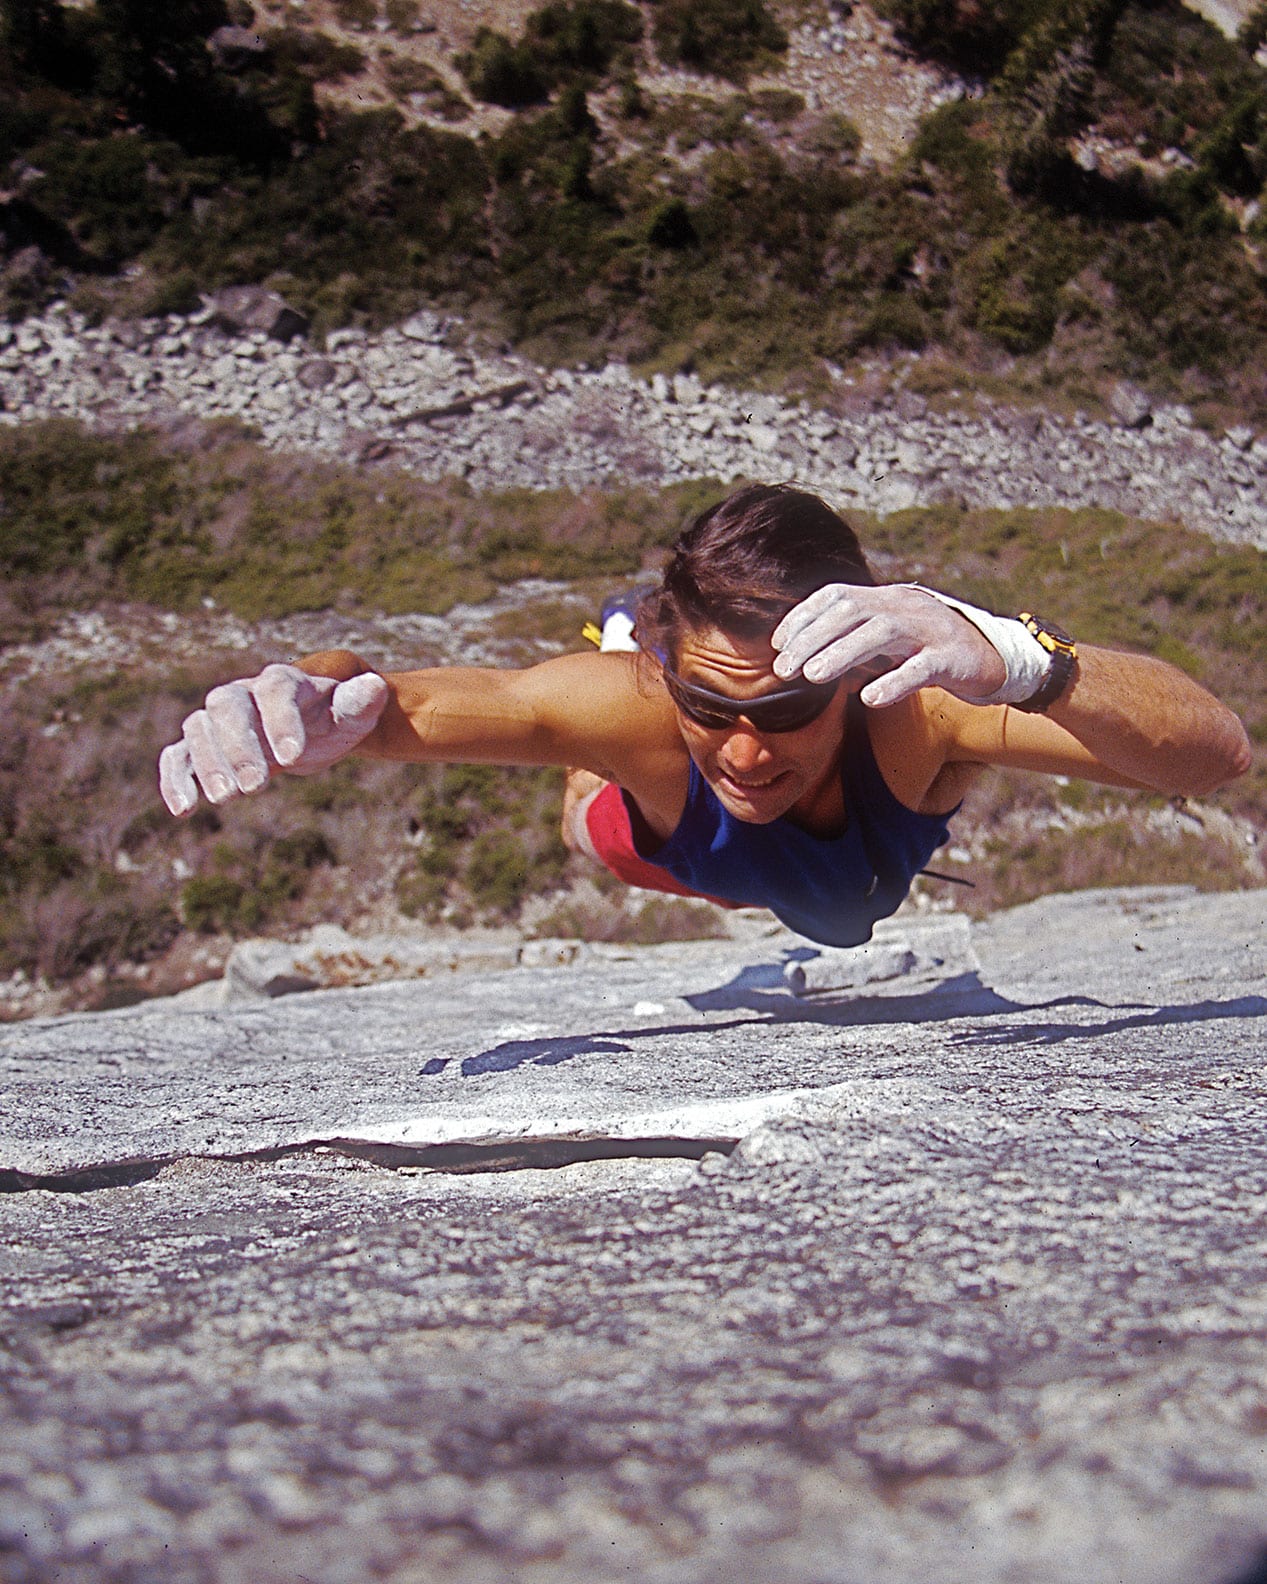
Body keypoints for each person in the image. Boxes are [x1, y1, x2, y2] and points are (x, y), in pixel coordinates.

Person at [158, 484, 1251, 946]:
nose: (743, 748)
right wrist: (298, 691)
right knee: (593, 788)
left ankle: (638, 656)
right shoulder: (633, 710)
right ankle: (629, 651)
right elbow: (383, 702)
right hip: (659, 844)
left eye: (784, 707)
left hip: (856, 866)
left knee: (843, 916)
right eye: (706, 701)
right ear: (672, 674)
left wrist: (1021, 660)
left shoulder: (917, 712)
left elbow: (1211, 755)